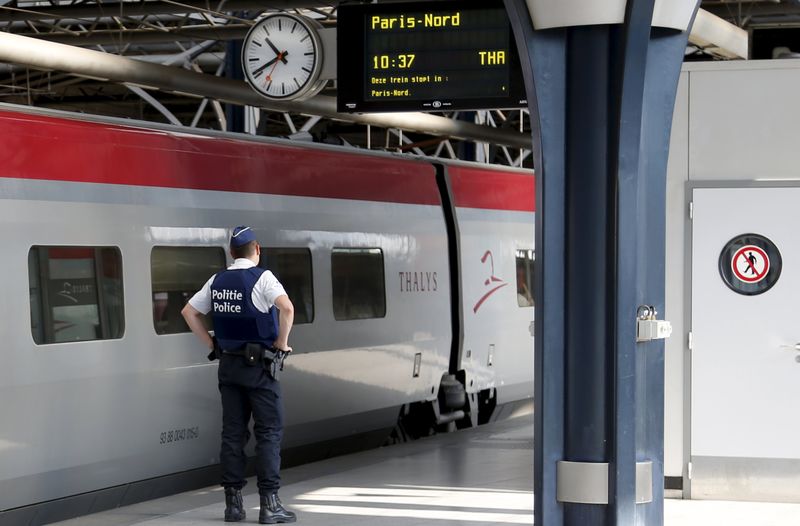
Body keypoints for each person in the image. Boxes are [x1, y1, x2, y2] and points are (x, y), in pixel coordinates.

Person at [181, 226, 296, 524]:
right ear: (256, 249)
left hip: (228, 366)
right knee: (268, 432)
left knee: (233, 433)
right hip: (259, 368)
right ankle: (270, 505)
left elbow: (188, 312)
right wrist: (282, 343)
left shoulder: (218, 280)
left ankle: (233, 506)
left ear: (231, 253)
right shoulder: (263, 278)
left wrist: (211, 344)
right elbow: (287, 308)